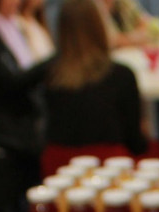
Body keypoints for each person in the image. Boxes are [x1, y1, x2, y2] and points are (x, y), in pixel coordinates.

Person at [44, 0, 152, 156]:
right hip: (110, 163)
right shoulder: (121, 76)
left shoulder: (51, 75)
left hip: (58, 163)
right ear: (99, 26)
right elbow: (136, 143)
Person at [0, 0, 53, 157]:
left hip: (27, 115)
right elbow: (11, 82)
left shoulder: (13, 23)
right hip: (7, 126)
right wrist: (54, 62)